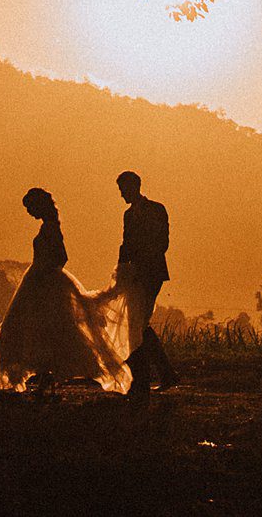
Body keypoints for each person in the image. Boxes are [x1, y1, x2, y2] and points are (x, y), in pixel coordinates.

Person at [0, 188, 132, 394]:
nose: (30, 213)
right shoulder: (48, 227)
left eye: (31, 208)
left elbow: (61, 257)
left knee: (43, 329)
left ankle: (46, 378)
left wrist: (44, 271)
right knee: (43, 330)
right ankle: (45, 378)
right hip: (39, 280)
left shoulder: (51, 229)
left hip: (45, 282)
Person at [116, 169, 174, 396]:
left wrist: (141, 264)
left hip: (151, 274)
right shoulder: (128, 215)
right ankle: (162, 373)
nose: (122, 195)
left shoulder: (157, 209)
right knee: (139, 324)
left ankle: (143, 380)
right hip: (135, 274)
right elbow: (125, 244)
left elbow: (162, 242)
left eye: (123, 190)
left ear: (135, 187)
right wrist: (122, 269)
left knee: (138, 324)